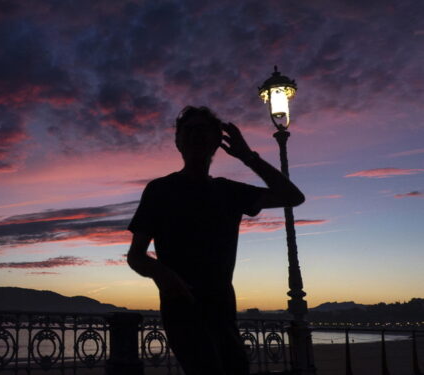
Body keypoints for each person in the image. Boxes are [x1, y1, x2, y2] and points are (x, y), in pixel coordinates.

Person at [126, 106, 305, 375]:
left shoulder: (228, 191)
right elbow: (136, 255)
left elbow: (292, 197)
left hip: (223, 309)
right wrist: (165, 276)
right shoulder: (160, 190)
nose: (196, 136)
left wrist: (248, 157)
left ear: (215, 142)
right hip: (182, 309)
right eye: (189, 130)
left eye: (204, 130)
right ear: (178, 141)